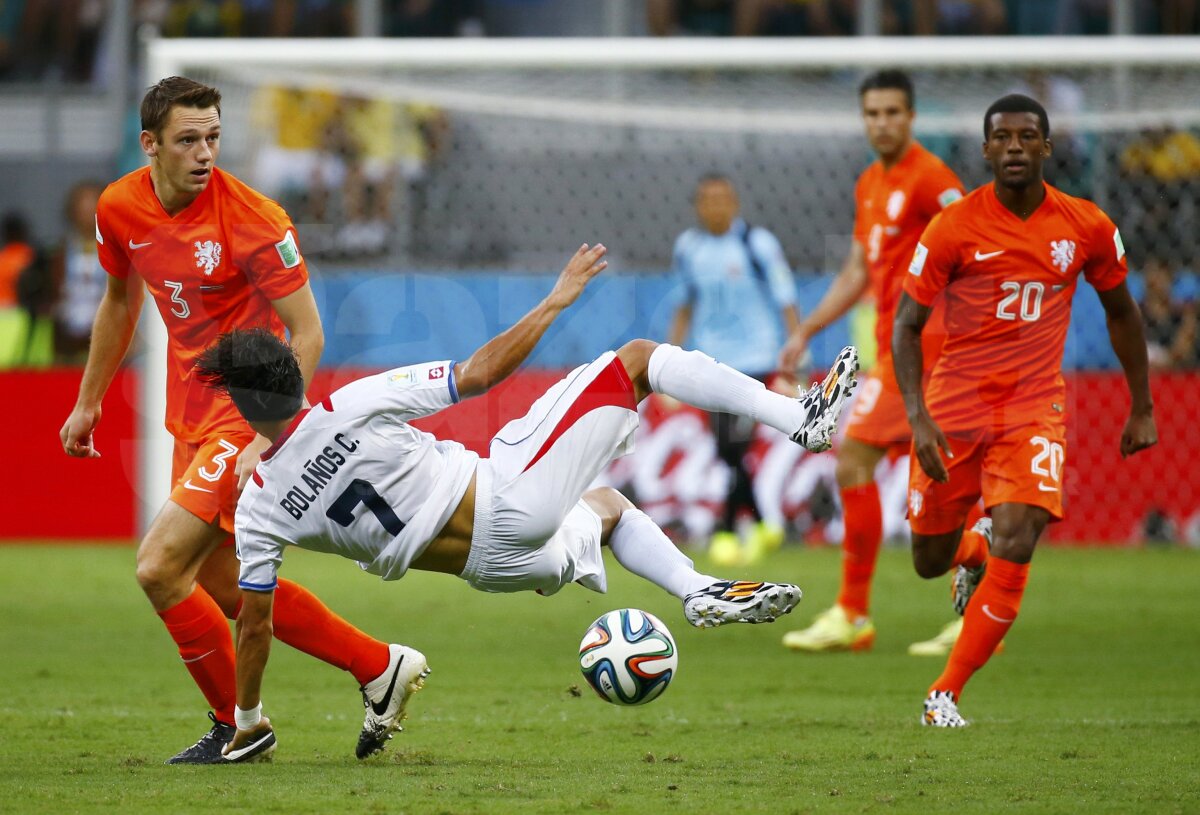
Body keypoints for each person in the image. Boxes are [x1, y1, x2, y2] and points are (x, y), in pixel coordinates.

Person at [194, 243, 860, 762]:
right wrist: (555, 301)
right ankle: (800, 418)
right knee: (638, 358)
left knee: (607, 507)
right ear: (291, 365)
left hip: (495, 569)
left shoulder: (259, 506)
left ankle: (694, 587)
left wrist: (248, 718)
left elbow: (254, 624)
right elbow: (480, 373)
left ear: (242, 405)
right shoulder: (350, 404)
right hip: (506, 499)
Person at [58, 76, 402, 764]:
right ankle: (380, 665)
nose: (205, 152)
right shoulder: (119, 207)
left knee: (158, 568)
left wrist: (261, 432)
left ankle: (238, 725)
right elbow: (119, 303)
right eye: (188, 140)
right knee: (218, 583)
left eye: (214, 137)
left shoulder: (254, 218)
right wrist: (89, 399)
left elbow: (308, 336)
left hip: (239, 418)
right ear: (150, 144)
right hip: (188, 414)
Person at [893, 94, 1157, 726]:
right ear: (985, 151)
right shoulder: (953, 228)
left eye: (1027, 136)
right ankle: (971, 553)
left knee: (1021, 533)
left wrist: (1142, 405)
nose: (1014, 146)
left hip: (1033, 408)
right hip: (953, 412)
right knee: (929, 560)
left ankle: (944, 693)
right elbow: (907, 326)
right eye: (1002, 138)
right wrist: (918, 416)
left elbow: (1122, 313)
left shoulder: (1087, 225)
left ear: (1047, 146)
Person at [779, 70, 967, 655]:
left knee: (872, 465)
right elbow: (859, 270)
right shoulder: (869, 183)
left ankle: (863, 613)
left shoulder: (932, 178)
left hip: (935, 355)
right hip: (894, 356)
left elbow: (976, 244)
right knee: (900, 477)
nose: (882, 122)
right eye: (872, 113)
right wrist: (808, 326)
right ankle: (861, 613)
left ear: (911, 118)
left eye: (892, 112)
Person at [667, 173, 804, 564]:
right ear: (698, 206)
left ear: (735, 203)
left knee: (733, 445)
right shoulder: (688, 248)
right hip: (710, 360)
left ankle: (727, 531)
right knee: (727, 449)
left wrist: (794, 359)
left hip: (756, 359)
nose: (715, 207)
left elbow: (787, 300)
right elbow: (683, 305)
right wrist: (666, 362)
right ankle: (763, 524)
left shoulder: (757, 245)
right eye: (707, 200)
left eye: (722, 199)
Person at [46, 180, 106, 364]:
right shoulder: (60, 253)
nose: (87, 213)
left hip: (104, 335)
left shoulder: (118, 250)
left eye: (92, 206)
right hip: (67, 337)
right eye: (82, 207)